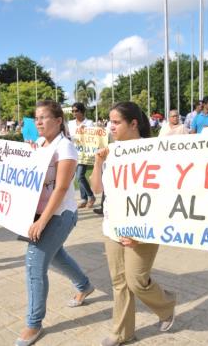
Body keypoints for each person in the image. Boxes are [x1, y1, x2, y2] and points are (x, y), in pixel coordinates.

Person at [91, 102, 176, 346]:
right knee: (119, 282)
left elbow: (163, 196)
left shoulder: (154, 153)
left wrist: (142, 232)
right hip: (113, 227)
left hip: (145, 229)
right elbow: (97, 189)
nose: (111, 126)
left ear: (134, 124)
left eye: (116, 122)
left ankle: (167, 304)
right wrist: (98, 162)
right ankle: (122, 333)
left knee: (136, 281)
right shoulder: (111, 153)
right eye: (110, 121)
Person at [16, 100, 94, 346]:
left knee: (34, 264)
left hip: (60, 215)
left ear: (58, 121)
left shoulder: (66, 148)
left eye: (43, 117)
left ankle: (33, 323)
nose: (38, 122)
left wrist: (42, 223)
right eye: (36, 118)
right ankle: (84, 285)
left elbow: (61, 188)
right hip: (40, 214)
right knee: (56, 255)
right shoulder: (39, 143)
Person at [67, 102, 96, 209]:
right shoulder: (70, 123)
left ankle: (91, 196)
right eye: (72, 111)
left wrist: (85, 132)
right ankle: (83, 199)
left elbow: (93, 136)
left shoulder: (89, 123)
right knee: (78, 177)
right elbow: (68, 135)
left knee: (79, 176)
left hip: (84, 153)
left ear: (82, 111)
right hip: (73, 152)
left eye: (76, 111)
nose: (74, 113)